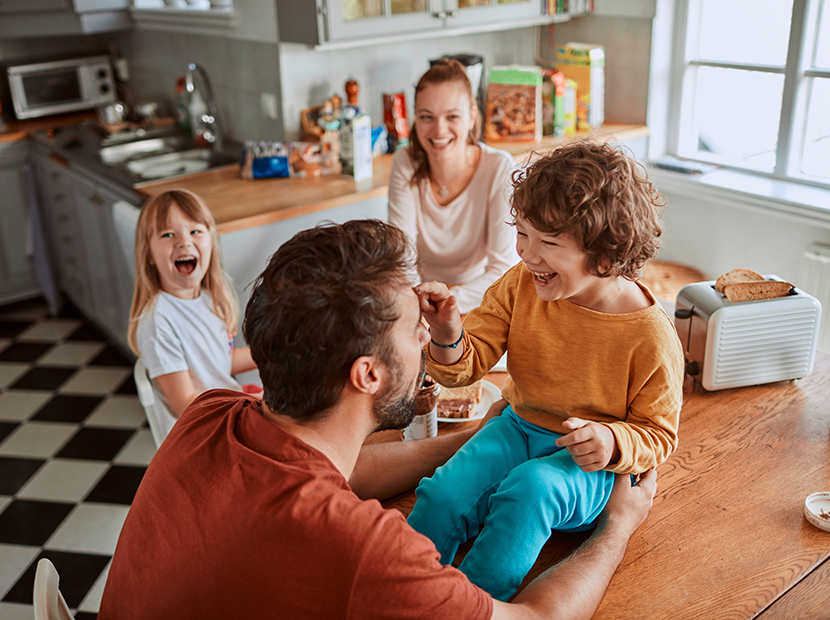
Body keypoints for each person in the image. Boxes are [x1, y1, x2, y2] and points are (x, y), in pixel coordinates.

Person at [99, 219, 658, 620]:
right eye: (415, 328)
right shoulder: (366, 551)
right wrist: (616, 529)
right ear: (368, 374)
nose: (427, 336)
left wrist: (469, 440)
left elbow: (342, 473)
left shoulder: (210, 414)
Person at [408, 142, 685, 601]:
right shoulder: (520, 284)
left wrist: (612, 441)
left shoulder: (651, 336)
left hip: (585, 465)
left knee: (529, 488)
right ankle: (403, 585)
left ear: (605, 256)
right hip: (518, 427)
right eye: (523, 234)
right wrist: (447, 334)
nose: (528, 255)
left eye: (549, 243)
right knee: (443, 495)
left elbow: (659, 434)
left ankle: (478, 605)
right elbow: (466, 365)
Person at [127, 189, 259, 442]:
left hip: (226, 412)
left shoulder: (208, 300)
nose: (184, 242)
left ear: (210, 240)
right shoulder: (158, 322)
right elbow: (188, 407)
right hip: (203, 435)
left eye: (195, 231)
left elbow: (218, 361)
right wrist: (259, 402)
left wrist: (271, 355)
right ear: (149, 255)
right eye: (168, 234)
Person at [388, 59, 518, 315]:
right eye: (427, 117)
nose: (439, 130)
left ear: (471, 116)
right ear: (416, 117)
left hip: (481, 301)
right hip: (420, 303)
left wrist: (445, 298)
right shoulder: (405, 162)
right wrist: (425, 302)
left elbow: (503, 268)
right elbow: (401, 258)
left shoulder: (498, 166)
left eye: (452, 116)